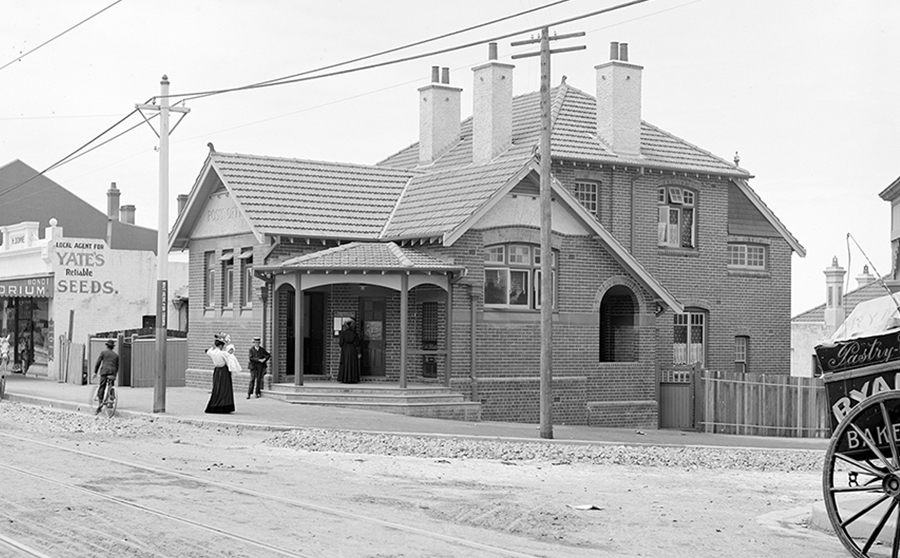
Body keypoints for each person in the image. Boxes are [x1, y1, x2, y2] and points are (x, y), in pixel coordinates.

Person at [205, 337, 235, 414]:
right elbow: (229, 359)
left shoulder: (211, 352)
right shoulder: (222, 353)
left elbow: (208, 350)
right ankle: (224, 406)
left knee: (217, 388)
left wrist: (214, 345)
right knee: (225, 389)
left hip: (217, 371)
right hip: (223, 371)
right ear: (221, 346)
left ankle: (215, 405)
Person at [92, 339, 119, 413]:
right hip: (112, 372)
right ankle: (111, 399)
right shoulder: (116, 355)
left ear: (107, 346)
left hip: (105, 371)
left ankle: (100, 402)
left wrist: (95, 372)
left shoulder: (103, 353)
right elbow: (117, 367)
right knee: (111, 385)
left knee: (102, 386)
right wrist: (115, 375)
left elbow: (98, 362)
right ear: (113, 347)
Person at [337, 318, 361, 384]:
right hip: (353, 349)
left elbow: (341, 343)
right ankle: (353, 378)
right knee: (353, 364)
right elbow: (358, 343)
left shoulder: (343, 333)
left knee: (344, 363)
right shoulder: (354, 333)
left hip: (345, 349)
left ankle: (344, 378)